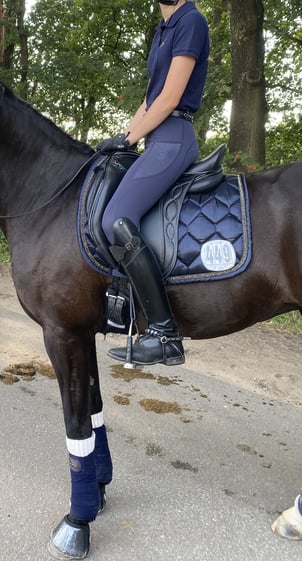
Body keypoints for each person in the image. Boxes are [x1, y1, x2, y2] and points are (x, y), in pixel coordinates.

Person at [97, 0, 209, 367]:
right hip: (155, 138)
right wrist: (122, 136)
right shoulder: (163, 31)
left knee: (116, 217)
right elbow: (150, 99)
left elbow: (171, 98)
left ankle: (164, 333)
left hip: (174, 137)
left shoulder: (190, 21)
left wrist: (130, 140)